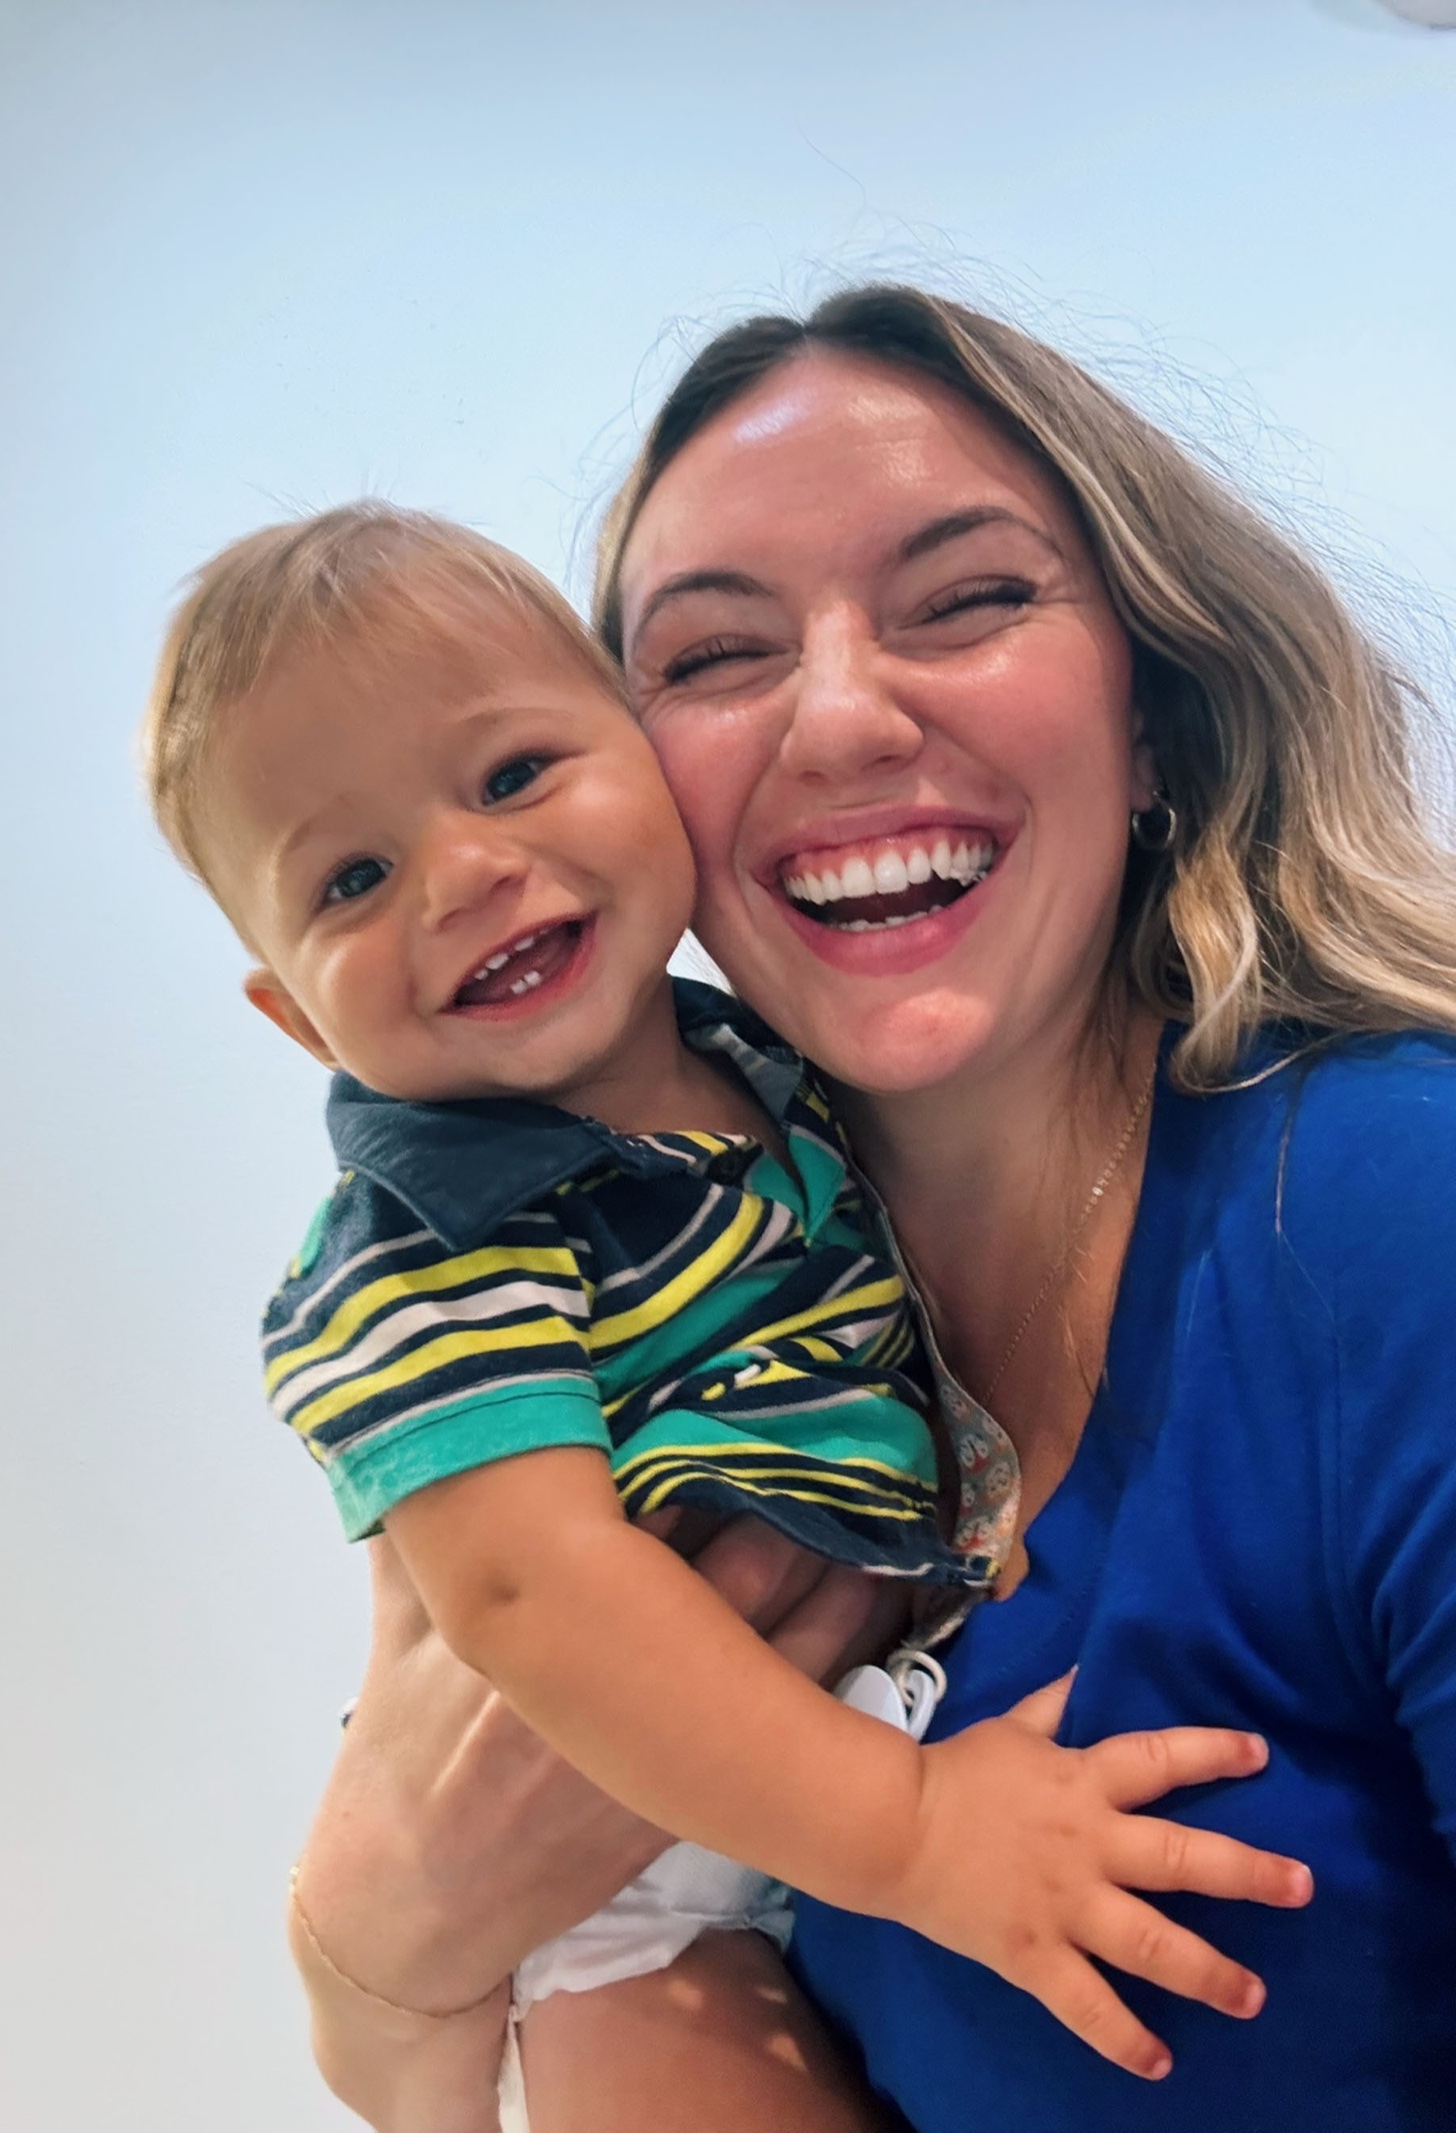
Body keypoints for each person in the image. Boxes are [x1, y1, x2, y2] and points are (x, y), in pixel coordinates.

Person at [275, 281, 1456, 2133]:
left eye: (969, 598)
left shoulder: (1400, 1220)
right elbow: (422, 2029)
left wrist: (392, 1948)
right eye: (718, 653)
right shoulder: (673, 1265)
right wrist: (366, 1930)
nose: (838, 717)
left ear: (1158, 712)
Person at [140, 501, 1308, 2128]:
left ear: (644, 754)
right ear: (288, 1007)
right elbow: (532, 1597)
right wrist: (907, 1829)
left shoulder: (771, 1069)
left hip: (873, 1728)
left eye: (511, 775)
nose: (466, 872)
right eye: (349, 875)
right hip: (629, 1890)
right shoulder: (428, 1235)